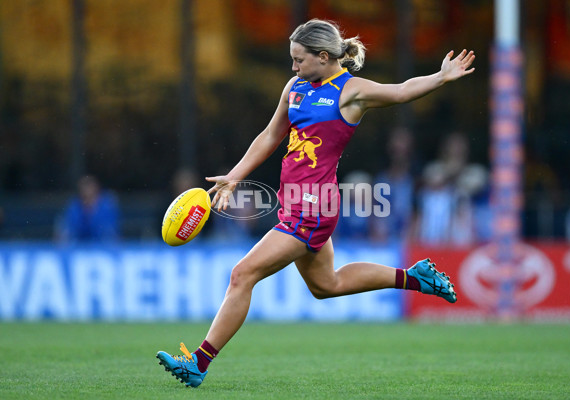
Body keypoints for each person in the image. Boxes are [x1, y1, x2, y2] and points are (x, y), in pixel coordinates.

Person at [156, 19, 474, 387]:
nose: (293, 67)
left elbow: (401, 91)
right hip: (293, 203)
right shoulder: (296, 88)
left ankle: (198, 362)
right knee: (327, 285)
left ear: (323, 57)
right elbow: (271, 134)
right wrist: (236, 174)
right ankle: (414, 277)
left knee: (242, 275)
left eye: (299, 59)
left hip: (315, 207)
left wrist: (440, 77)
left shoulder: (350, 91)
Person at [55, 175, 120, 243]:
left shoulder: (107, 205)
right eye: (84, 195)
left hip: (102, 246)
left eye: (90, 190)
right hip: (79, 247)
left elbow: (111, 232)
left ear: (96, 190)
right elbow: (67, 230)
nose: (88, 193)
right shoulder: (74, 206)